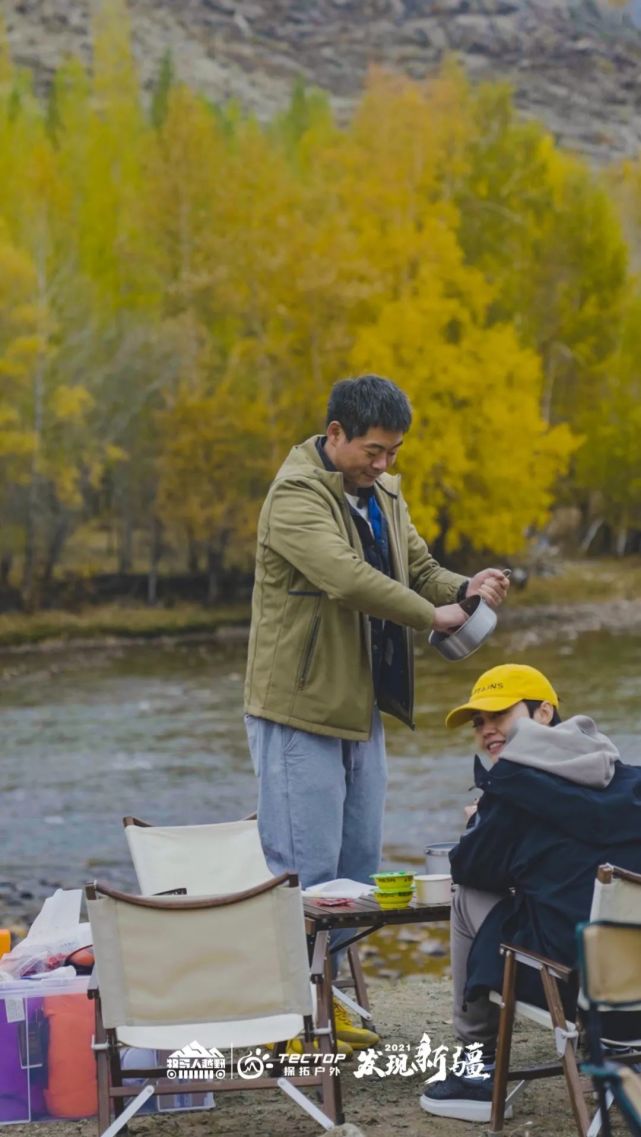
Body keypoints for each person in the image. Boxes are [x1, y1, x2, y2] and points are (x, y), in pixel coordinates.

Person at [244, 373, 509, 1051]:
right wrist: (433, 614)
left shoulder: (383, 494)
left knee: (355, 873)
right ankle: (289, 1017)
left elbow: (416, 567)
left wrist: (463, 586)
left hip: (360, 705)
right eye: (373, 449)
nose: (384, 462)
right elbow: (347, 578)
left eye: (392, 451)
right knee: (302, 870)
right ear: (334, 435)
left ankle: (320, 999)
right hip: (298, 708)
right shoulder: (294, 496)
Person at [420, 662, 641, 1122]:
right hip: (632, 981)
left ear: (544, 713)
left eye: (499, 715)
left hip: (566, 981)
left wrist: (478, 822)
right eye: (479, 722)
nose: (486, 730)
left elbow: (471, 867)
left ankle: (476, 1067)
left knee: (467, 897)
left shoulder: (515, 788)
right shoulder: (627, 779)